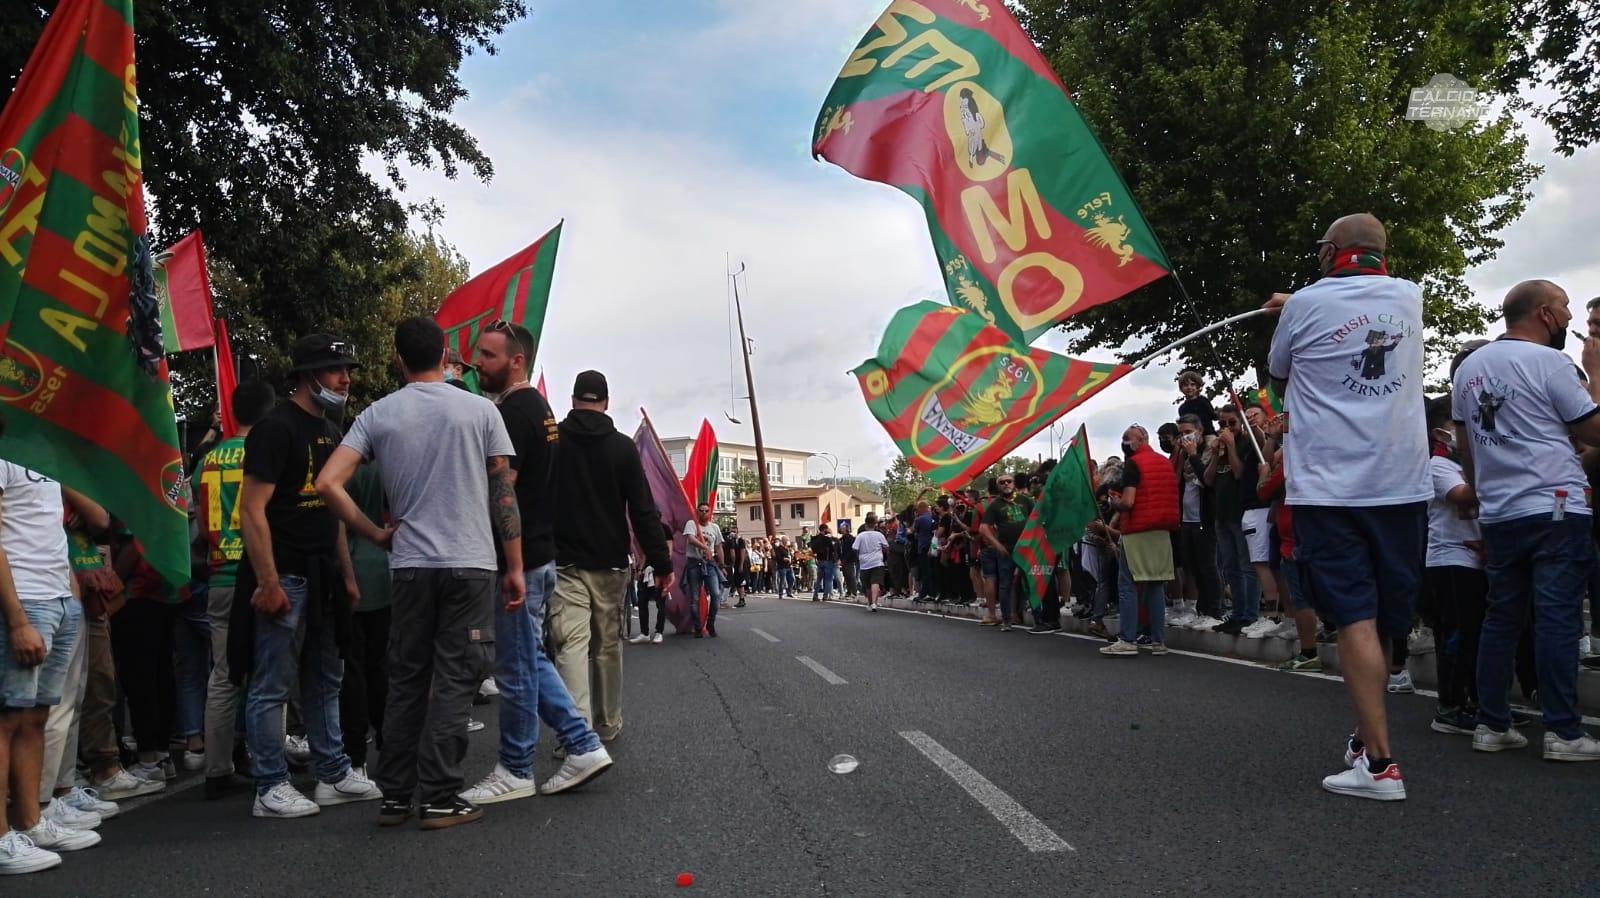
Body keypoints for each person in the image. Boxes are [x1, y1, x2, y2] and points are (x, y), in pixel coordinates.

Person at [316, 318, 525, 828]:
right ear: (448, 352)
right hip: (470, 563)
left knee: (406, 679)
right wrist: (514, 565)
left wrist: (374, 532)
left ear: (397, 359)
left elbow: (327, 483)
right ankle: (439, 796)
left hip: (408, 566)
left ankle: (395, 796)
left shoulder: (377, 415)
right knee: (455, 680)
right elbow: (504, 493)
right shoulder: (480, 411)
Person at [1266, 212, 1428, 800]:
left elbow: (1279, 373)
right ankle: (1366, 740)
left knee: (1355, 616)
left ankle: (1381, 766)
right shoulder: (1410, 298)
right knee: (1384, 616)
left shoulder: (1304, 305)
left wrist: (1288, 309)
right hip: (1402, 482)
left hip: (1331, 486)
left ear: (1331, 250)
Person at [1452, 280, 1600, 761]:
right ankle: (1563, 731)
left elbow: (1466, 444)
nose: (1570, 316)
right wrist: (1596, 374)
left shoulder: (1469, 368)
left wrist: (1479, 492)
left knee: (1503, 618)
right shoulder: (1551, 362)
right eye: (1564, 307)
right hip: (1554, 504)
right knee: (1556, 618)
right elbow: (1593, 428)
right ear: (1542, 313)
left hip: (1500, 509)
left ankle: (1492, 722)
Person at [234, 334, 377, 819]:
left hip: (324, 578)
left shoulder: (331, 430)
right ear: (307, 375)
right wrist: (268, 582)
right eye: (336, 369)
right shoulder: (275, 430)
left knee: (325, 677)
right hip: (287, 576)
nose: (346, 379)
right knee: (273, 684)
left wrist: (347, 575)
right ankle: (269, 786)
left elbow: (331, 512)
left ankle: (333, 773)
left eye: (347, 369)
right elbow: (251, 513)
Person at [547, 370, 673, 746]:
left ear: (572, 400)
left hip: (563, 559)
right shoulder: (622, 448)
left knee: (569, 645)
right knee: (606, 647)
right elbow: (642, 510)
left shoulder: (552, 441)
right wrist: (661, 563)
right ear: (605, 402)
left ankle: (576, 733)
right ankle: (608, 723)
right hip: (610, 562)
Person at [0, 456, 104, 873]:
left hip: (57, 596)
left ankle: (31, 821)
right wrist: (17, 619)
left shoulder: (41, 449)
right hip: (23, 599)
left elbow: (88, 519)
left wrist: (68, 593)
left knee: (36, 716)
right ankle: (3, 837)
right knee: (7, 719)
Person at [199, 380, 276, 800]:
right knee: (270, 671)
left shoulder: (208, 459)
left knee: (223, 675)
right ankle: (272, 765)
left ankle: (216, 768)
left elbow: (195, 512)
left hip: (218, 576)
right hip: (259, 573)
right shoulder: (264, 452)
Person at [1416, 394, 1485, 735]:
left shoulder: (1466, 464)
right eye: (1459, 424)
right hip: (1450, 559)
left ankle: (1477, 702)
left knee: (1475, 635)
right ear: (1441, 432)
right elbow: (1463, 496)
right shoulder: (1438, 465)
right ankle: (1449, 707)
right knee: (1455, 634)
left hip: (1478, 561)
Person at [1100, 425, 1178, 656]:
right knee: (1155, 585)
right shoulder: (1165, 462)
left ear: (1141, 439)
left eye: (1127, 438)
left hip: (1137, 530)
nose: (1124, 443)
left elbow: (1129, 502)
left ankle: (1128, 640)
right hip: (1162, 530)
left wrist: (1114, 502)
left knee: (1127, 585)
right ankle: (1158, 642)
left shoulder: (1134, 463)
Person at [1206, 404, 1262, 634]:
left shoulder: (1247, 444)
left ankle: (1250, 615)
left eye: (1231, 423)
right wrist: (1215, 456)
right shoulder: (1220, 449)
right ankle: (1237, 613)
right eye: (1222, 424)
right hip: (1222, 514)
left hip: (1241, 513)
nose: (1226, 428)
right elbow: (1208, 480)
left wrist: (1230, 446)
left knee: (1246, 566)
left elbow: (1239, 473)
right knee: (1229, 567)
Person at [1171, 413, 1223, 628]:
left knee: (1208, 566)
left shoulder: (1210, 450)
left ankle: (1214, 610)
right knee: (1193, 566)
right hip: (1187, 519)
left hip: (1205, 518)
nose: (1184, 437)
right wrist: (1182, 455)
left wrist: (1192, 454)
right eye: (1181, 433)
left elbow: (1207, 480)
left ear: (1200, 431)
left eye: (1188, 432)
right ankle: (1201, 609)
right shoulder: (1184, 457)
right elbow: (1177, 482)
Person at [978, 474, 1033, 632]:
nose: (1006, 484)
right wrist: (997, 545)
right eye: (1002, 482)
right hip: (1006, 551)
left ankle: (1039, 619)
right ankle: (1007, 620)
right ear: (998, 486)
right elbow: (983, 528)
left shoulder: (1025, 500)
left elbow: (1037, 518)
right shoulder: (995, 505)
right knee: (1005, 586)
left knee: (1030, 583)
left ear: (1014, 483)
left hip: (1026, 549)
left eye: (1008, 481)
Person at [683, 503, 725, 636]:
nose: (704, 513)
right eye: (701, 511)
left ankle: (710, 625)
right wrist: (705, 547)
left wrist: (722, 565)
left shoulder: (714, 527)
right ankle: (698, 628)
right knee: (695, 597)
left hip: (710, 563)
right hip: (694, 563)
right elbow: (690, 539)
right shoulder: (692, 523)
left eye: (707, 511)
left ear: (710, 512)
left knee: (716, 594)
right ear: (697, 511)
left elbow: (718, 547)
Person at [630, 522, 674, 645]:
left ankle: (659, 632)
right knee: (642, 601)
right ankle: (644, 633)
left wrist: (666, 568)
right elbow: (645, 553)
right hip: (647, 570)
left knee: (660, 602)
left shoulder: (665, 528)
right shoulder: (646, 530)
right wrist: (640, 568)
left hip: (660, 569)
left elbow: (669, 551)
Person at [853, 515, 890, 611]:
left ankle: (870, 603)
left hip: (864, 563)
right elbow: (886, 547)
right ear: (875, 525)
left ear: (865, 525)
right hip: (877, 562)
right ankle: (874, 603)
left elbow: (855, 548)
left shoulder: (860, 536)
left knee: (867, 585)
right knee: (875, 582)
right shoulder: (879, 535)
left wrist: (859, 557)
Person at [1177, 369, 1217, 435]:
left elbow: (1213, 416)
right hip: (1191, 435)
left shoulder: (1203, 401)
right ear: (1181, 388)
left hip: (1207, 433)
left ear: (1198, 387)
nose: (1189, 387)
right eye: (1186, 385)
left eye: (1192, 385)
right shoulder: (1182, 408)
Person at [811, 524, 839, 601]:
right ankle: (825, 596)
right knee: (828, 579)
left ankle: (815, 595)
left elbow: (813, 549)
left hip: (819, 560)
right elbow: (833, 548)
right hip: (827, 560)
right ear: (825, 529)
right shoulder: (826, 538)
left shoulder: (815, 538)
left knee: (819, 579)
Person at [837, 520, 858, 597]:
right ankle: (849, 591)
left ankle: (854, 591)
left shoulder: (850, 538)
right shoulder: (842, 539)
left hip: (849, 560)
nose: (840, 529)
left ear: (846, 529)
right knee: (846, 576)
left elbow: (851, 550)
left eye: (842, 528)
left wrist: (844, 559)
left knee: (851, 576)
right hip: (844, 560)